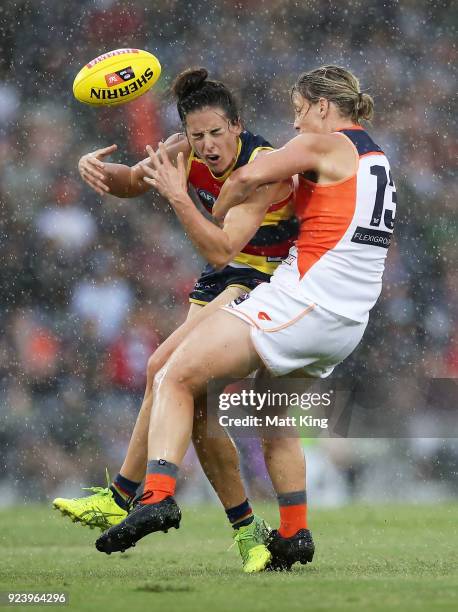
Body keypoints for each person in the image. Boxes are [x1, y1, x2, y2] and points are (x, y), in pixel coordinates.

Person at [95, 65, 397, 571]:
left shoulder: (327, 143)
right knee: (272, 419)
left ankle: (157, 496)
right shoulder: (376, 157)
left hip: (305, 302)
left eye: (300, 112)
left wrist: (219, 200)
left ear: (323, 107)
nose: (296, 126)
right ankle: (295, 534)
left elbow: (253, 172)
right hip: (347, 321)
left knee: (175, 376)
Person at [53, 68, 300, 573]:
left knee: (164, 371)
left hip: (261, 282)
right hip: (219, 282)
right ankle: (250, 534)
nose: (207, 145)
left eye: (215, 133)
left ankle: (125, 496)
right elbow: (132, 181)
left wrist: (178, 194)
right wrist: (100, 173)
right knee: (196, 409)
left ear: (238, 125)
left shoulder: (263, 165)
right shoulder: (181, 151)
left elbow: (224, 246)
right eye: (196, 136)